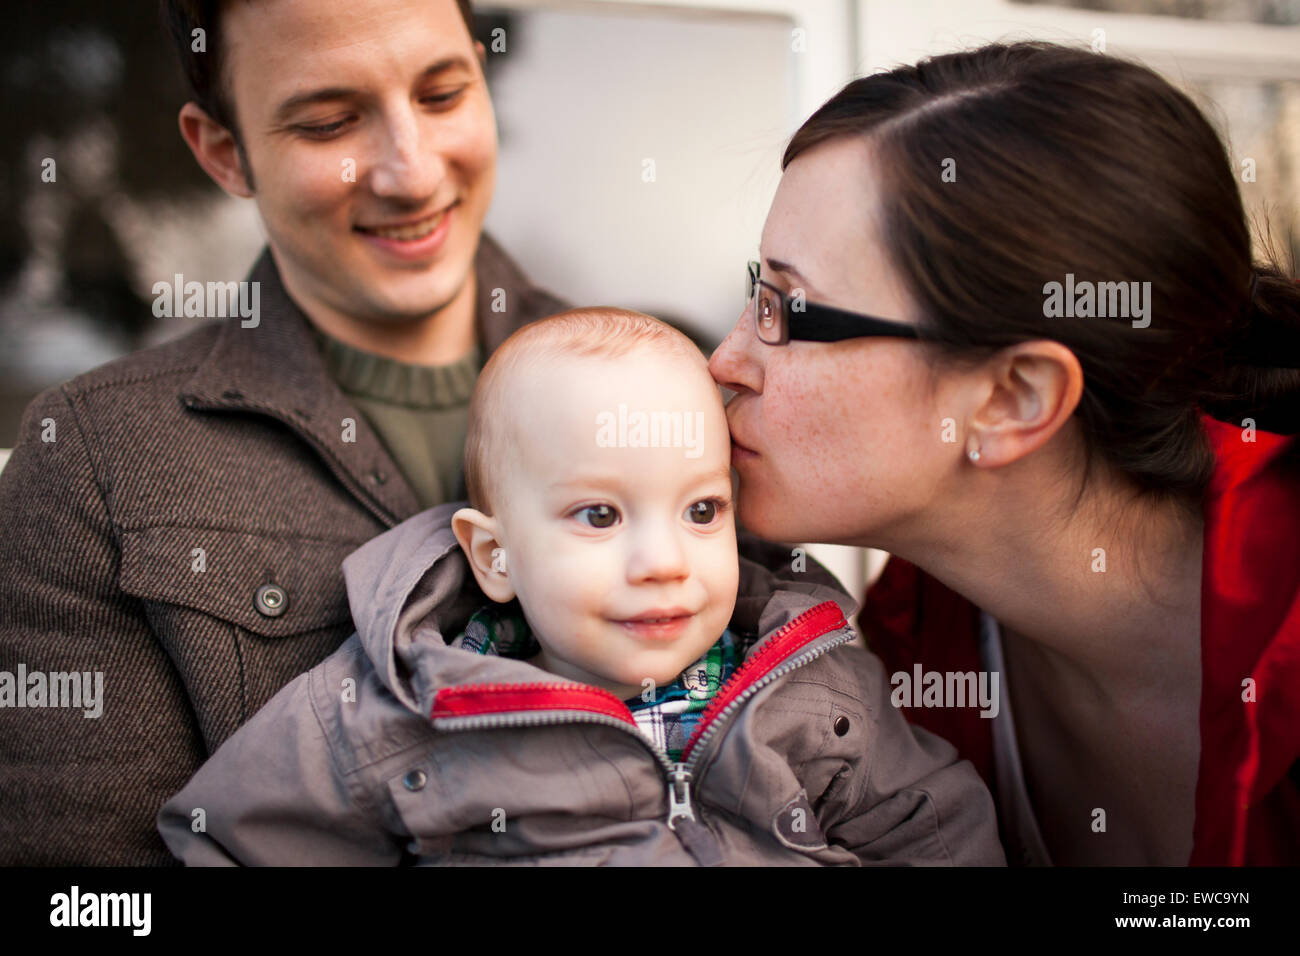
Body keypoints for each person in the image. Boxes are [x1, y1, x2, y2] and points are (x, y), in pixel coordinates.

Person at [0, 0, 566, 864]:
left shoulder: (664, 385)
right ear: (224, 152)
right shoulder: (93, 463)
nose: (411, 173)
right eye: (330, 122)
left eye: (444, 94)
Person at [707, 41, 1300, 866]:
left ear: (1012, 399)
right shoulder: (901, 650)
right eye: (752, 295)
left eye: (788, 310)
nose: (725, 361)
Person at [155, 309, 1005, 866]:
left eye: (702, 509)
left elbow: (937, 825)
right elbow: (221, 842)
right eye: (599, 516)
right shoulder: (398, 715)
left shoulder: (813, 691)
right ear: (494, 557)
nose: (663, 561)